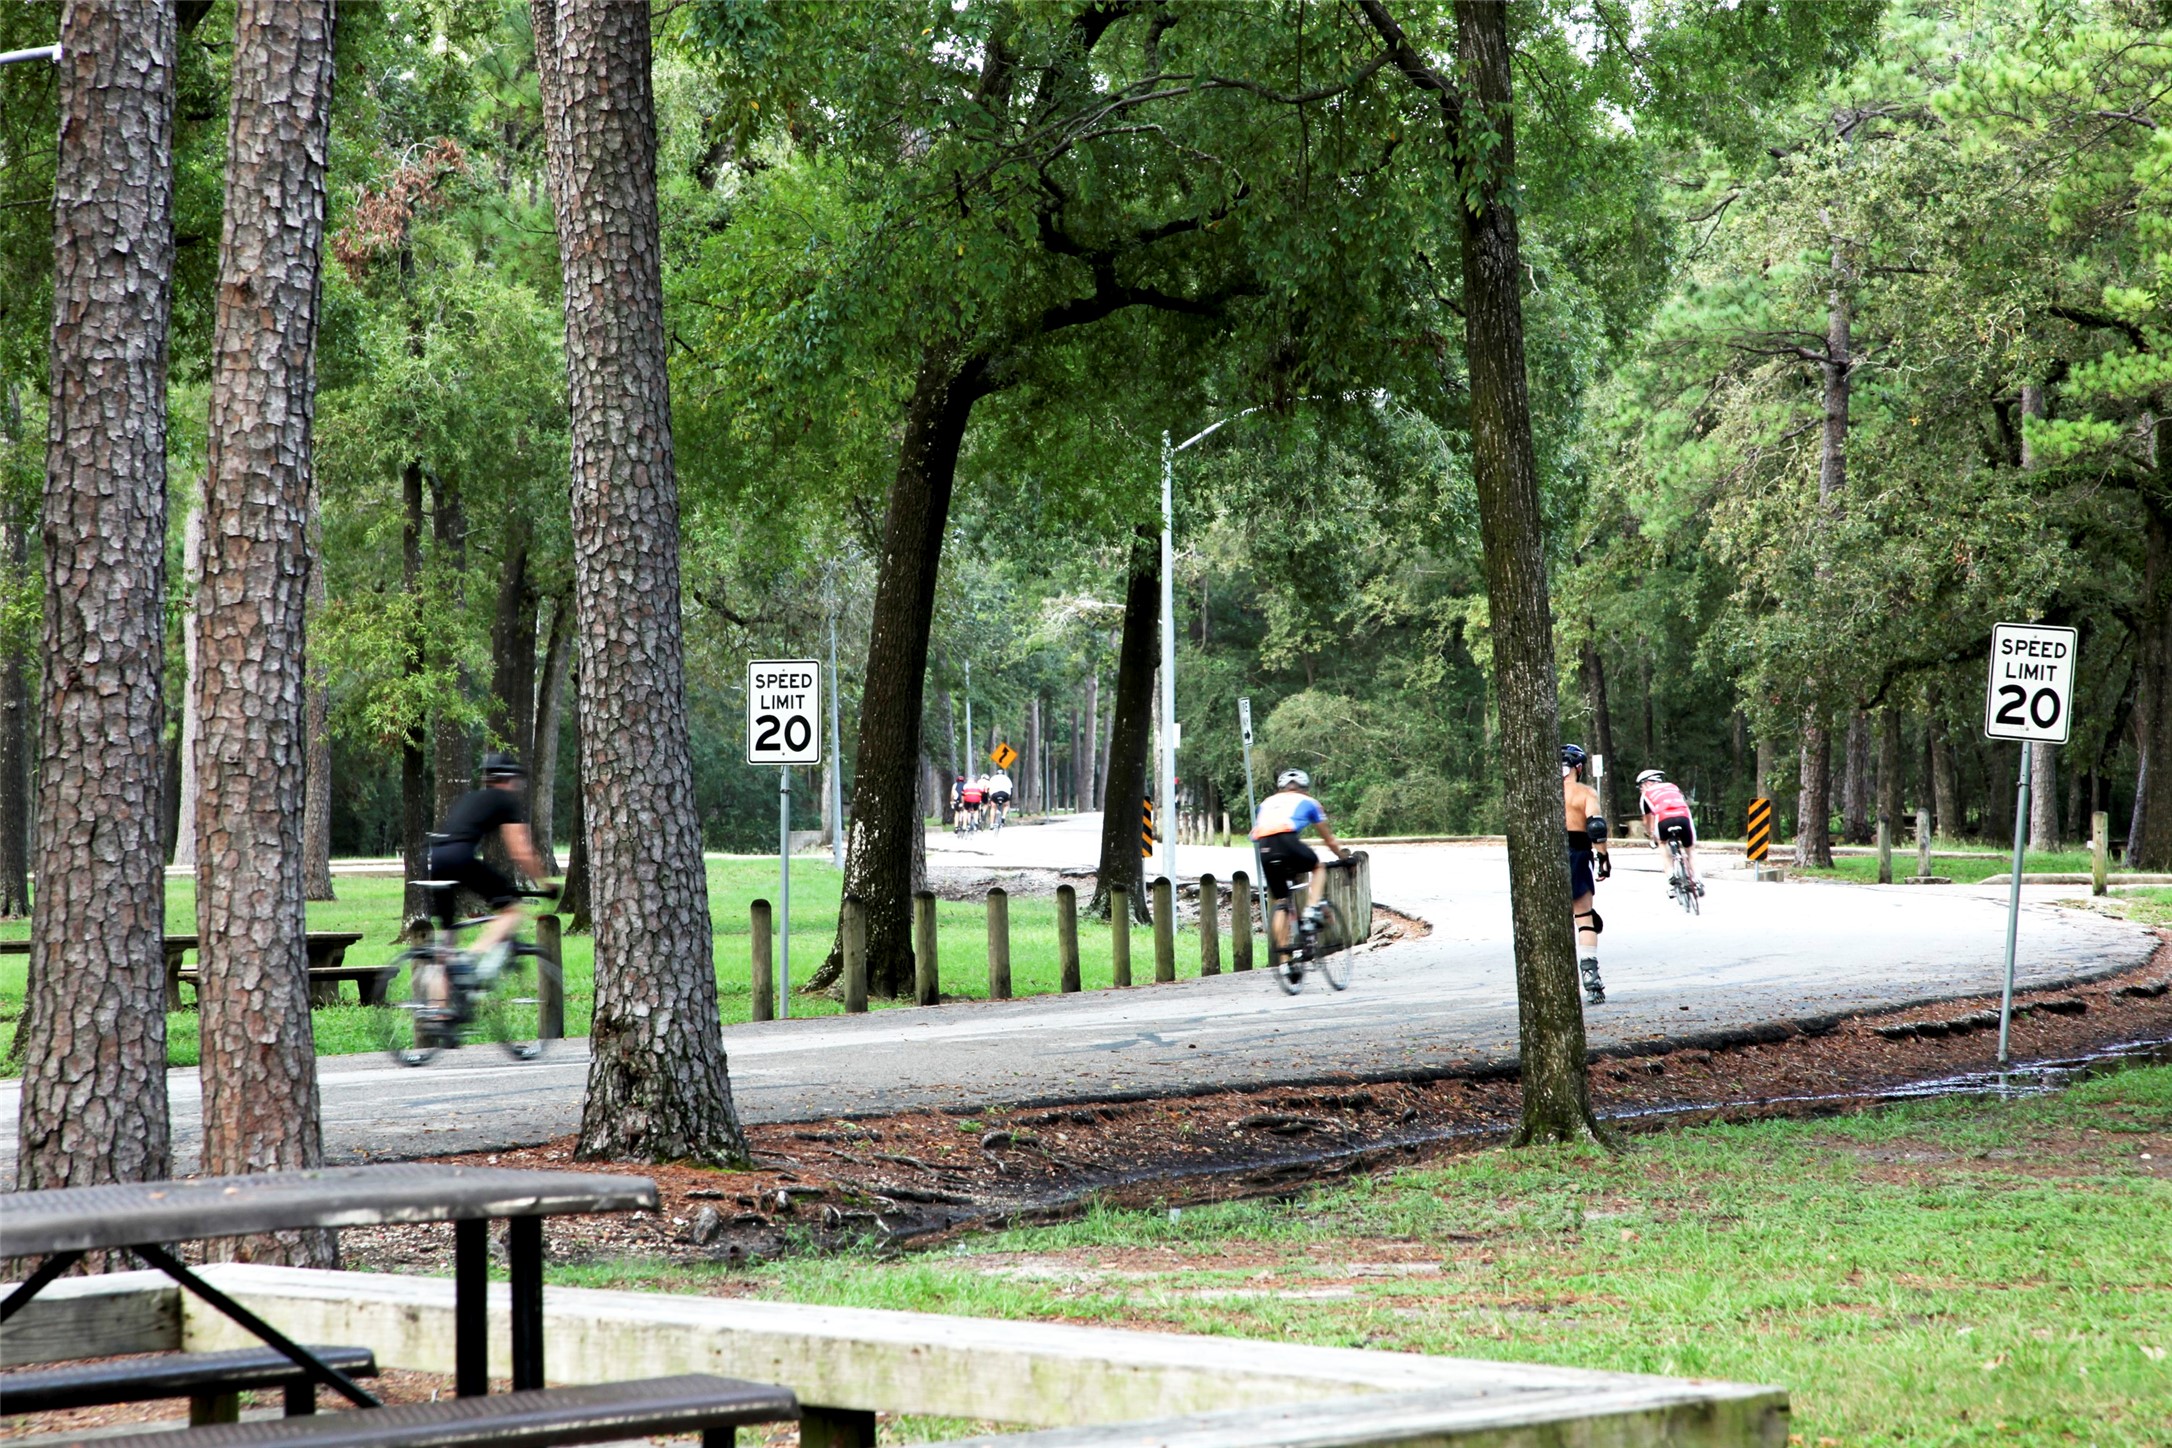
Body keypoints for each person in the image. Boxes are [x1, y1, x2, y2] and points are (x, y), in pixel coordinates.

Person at [428, 752, 553, 972]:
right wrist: (545, 883)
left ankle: (439, 1004)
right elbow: (521, 852)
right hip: (459, 858)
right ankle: (473, 957)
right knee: (511, 908)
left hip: (434, 858)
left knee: (447, 944)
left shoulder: (470, 798)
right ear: (510, 779)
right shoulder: (505, 801)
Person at [1250, 768, 1350, 949]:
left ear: (1281, 788)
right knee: (1318, 866)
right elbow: (1328, 839)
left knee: (1281, 901)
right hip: (1287, 840)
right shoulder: (1309, 801)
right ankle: (1311, 908)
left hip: (1264, 847)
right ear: (1304, 788)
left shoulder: (1265, 803)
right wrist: (1341, 855)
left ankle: (1285, 961)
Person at [1562, 744, 1611, 1005]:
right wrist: (1603, 857)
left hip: (1549, 856)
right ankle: (1591, 978)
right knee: (1584, 917)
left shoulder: (1542, 794)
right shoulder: (1584, 793)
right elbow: (1596, 826)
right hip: (1578, 855)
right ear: (1578, 768)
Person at [1635, 768, 1702, 894]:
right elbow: (1683, 802)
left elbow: (1648, 821)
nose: (1641, 789)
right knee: (1690, 850)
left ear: (1647, 783)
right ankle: (1698, 880)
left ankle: (1671, 876)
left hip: (1664, 820)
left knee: (1662, 843)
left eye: (1641, 786)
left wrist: (1651, 836)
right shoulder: (1673, 787)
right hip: (1684, 817)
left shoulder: (1646, 795)